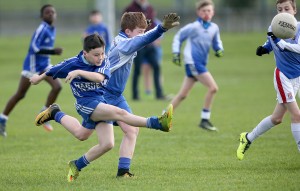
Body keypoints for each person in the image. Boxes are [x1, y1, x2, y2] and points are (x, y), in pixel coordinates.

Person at [30, 33, 173, 182]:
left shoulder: (103, 62)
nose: (100, 57)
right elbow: (53, 69)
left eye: (102, 53)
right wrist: (38, 78)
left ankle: (58, 121)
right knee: (120, 113)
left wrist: (79, 72)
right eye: (96, 54)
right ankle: (158, 123)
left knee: (100, 141)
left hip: (100, 101)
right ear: (85, 53)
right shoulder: (72, 63)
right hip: (85, 104)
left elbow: (99, 78)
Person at [104, 12, 179, 177]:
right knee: (84, 134)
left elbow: (140, 37)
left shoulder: (124, 38)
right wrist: (161, 28)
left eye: (143, 31)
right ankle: (56, 114)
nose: (142, 35)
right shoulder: (124, 44)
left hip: (116, 96)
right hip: (104, 95)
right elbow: (142, 40)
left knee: (131, 131)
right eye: (139, 31)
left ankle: (123, 171)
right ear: (128, 31)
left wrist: (144, 25)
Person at [237, 0, 300, 160]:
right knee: (297, 115)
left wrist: (281, 43)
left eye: (286, 8)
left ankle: (247, 138)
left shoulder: (299, 28)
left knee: (277, 118)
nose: (283, 12)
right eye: (279, 9)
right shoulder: (274, 27)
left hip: (296, 77)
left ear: (294, 10)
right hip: (283, 75)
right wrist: (265, 48)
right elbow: (272, 42)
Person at [0, 4, 63, 137]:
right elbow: (34, 47)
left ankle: (45, 113)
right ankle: (2, 119)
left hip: (44, 65)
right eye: (47, 13)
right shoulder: (42, 28)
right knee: (20, 94)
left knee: (57, 87)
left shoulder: (52, 28)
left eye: (52, 12)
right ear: (42, 16)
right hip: (32, 66)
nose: (50, 14)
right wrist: (53, 51)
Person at [170, 0, 224, 131]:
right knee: (213, 88)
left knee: (182, 95)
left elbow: (216, 42)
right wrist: (176, 53)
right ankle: (204, 119)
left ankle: (163, 116)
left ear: (213, 12)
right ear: (198, 12)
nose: (206, 13)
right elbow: (178, 37)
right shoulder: (193, 27)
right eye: (203, 11)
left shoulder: (214, 28)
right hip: (193, 63)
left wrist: (219, 49)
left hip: (200, 63)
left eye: (209, 11)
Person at [124, 0, 166, 100]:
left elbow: (152, 24)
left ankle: (159, 94)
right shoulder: (130, 8)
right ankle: (135, 95)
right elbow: (126, 26)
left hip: (149, 44)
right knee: (137, 70)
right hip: (138, 44)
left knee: (156, 66)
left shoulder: (149, 8)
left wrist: (156, 38)